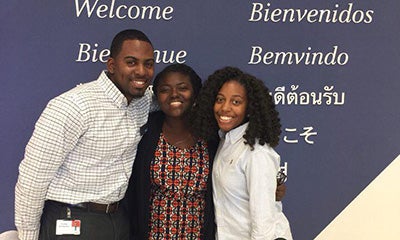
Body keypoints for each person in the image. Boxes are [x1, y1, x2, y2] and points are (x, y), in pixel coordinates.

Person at [14, 29, 155, 240]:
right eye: (131, 62)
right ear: (112, 65)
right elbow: (32, 178)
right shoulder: (73, 106)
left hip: (117, 220)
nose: (142, 71)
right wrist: (28, 236)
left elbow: (171, 96)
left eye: (149, 64)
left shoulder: (142, 102)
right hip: (70, 220)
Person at [191, 67, 293, 240]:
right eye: (220, 99)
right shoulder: (225, 141)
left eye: (236, 102)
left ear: (250, 108)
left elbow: (263, 225)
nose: (225, 108)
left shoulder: (256, 152)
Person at [125, 63, 219, 240]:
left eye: (183, 88)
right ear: (157, 97)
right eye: (165, 90)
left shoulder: (211, 135)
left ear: (196, 93)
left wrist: (270, 184)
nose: (174, 94)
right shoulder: (146, 132)